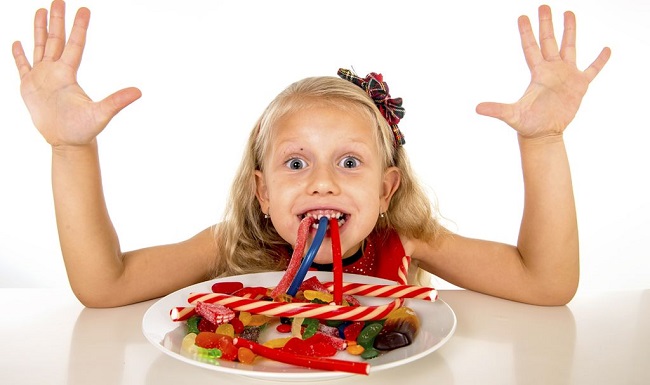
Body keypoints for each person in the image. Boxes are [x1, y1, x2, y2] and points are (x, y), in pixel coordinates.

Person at [12, 1, 610, 307]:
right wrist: (71, 149)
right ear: (261, 189)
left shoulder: (408, 240)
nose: (322, 183)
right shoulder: (235, 246)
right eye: (296, 163)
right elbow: (104, 286)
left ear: (387, 188)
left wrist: (542, 141)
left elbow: (547, 284)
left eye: (349, 162)